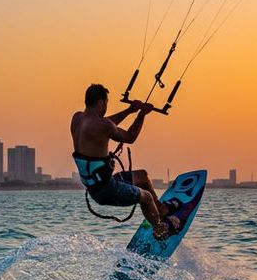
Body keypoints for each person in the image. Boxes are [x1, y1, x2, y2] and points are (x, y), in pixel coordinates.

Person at [71, 83, 180, 237]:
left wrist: (129, 110)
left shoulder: (77, 119)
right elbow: (130, 136)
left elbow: (106, 122)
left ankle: (161, 210)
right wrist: (141, 114)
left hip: (96, 186)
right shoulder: (102, 125)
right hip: (106, 190)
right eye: (106, 104)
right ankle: (160, 230)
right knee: (146, 198)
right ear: (101, 103)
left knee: (142, 176)